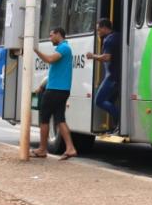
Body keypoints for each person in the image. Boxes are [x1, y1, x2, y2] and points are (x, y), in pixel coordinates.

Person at [31, 26, 77, 160]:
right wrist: (41, 86)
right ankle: (70, 148)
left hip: (55, 90)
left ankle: (42, 149)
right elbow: (54, 73)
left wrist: (36, 51)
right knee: (60, 119)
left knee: (44, 118)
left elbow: (50, 59)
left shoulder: (64, 48)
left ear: (58, 34)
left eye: (51, 35)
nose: (50, 38)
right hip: (61, 90)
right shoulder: (64, 48)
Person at [86, 18, 120, 132]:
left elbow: (107, 57)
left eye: (99, 30)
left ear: (105, 28)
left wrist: (93, 56)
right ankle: (116, 127)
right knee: (109, 101)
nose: (98, 32)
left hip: (111, 77)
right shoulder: (118, 36)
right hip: (118, 76)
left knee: (99, 100)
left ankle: (119, 121)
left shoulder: (109, 39)